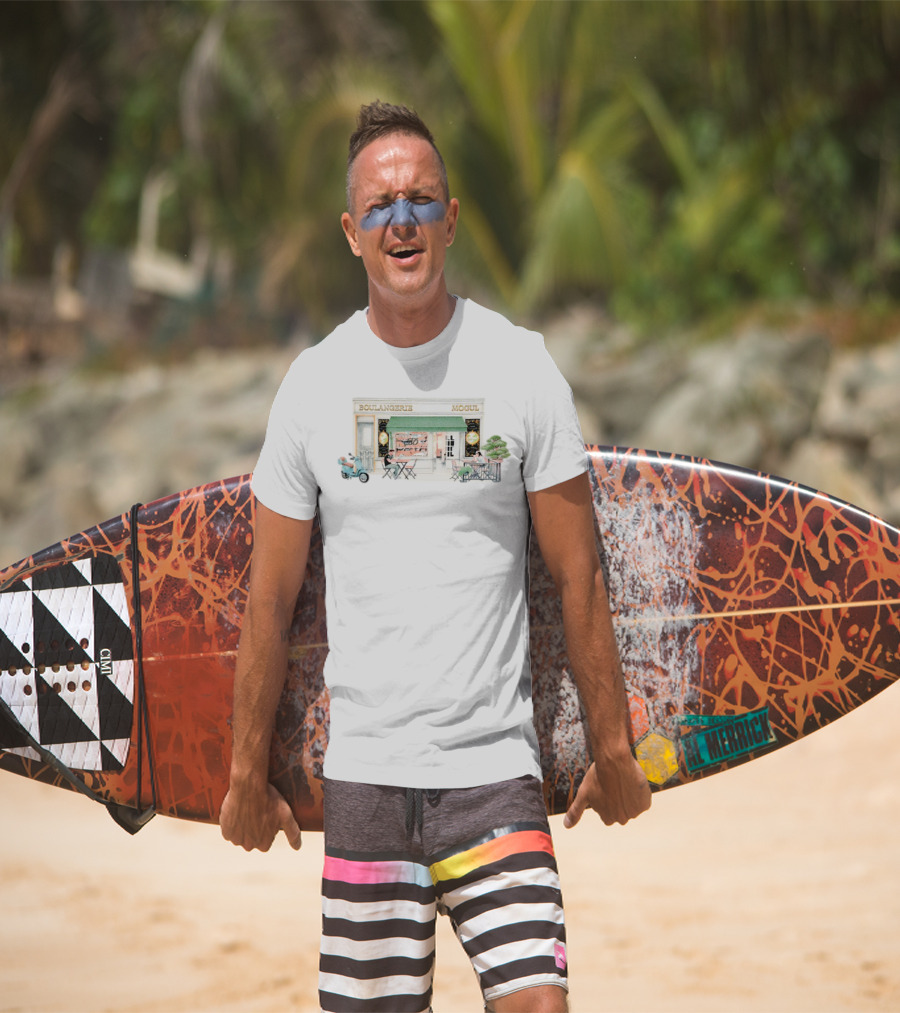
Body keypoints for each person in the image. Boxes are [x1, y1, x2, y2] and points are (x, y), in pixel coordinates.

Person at [220, 100, 651, 1013]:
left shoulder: (521, 368)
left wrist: (612, 746)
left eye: (421, 200)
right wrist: (242, 772)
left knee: (540, 1003)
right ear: (351, 232)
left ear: (451, 219)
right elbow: (270, 599)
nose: (402, 220)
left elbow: (579, 574)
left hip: (495, 773)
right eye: (380, 206)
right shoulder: (314, 387)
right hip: (369, 779)